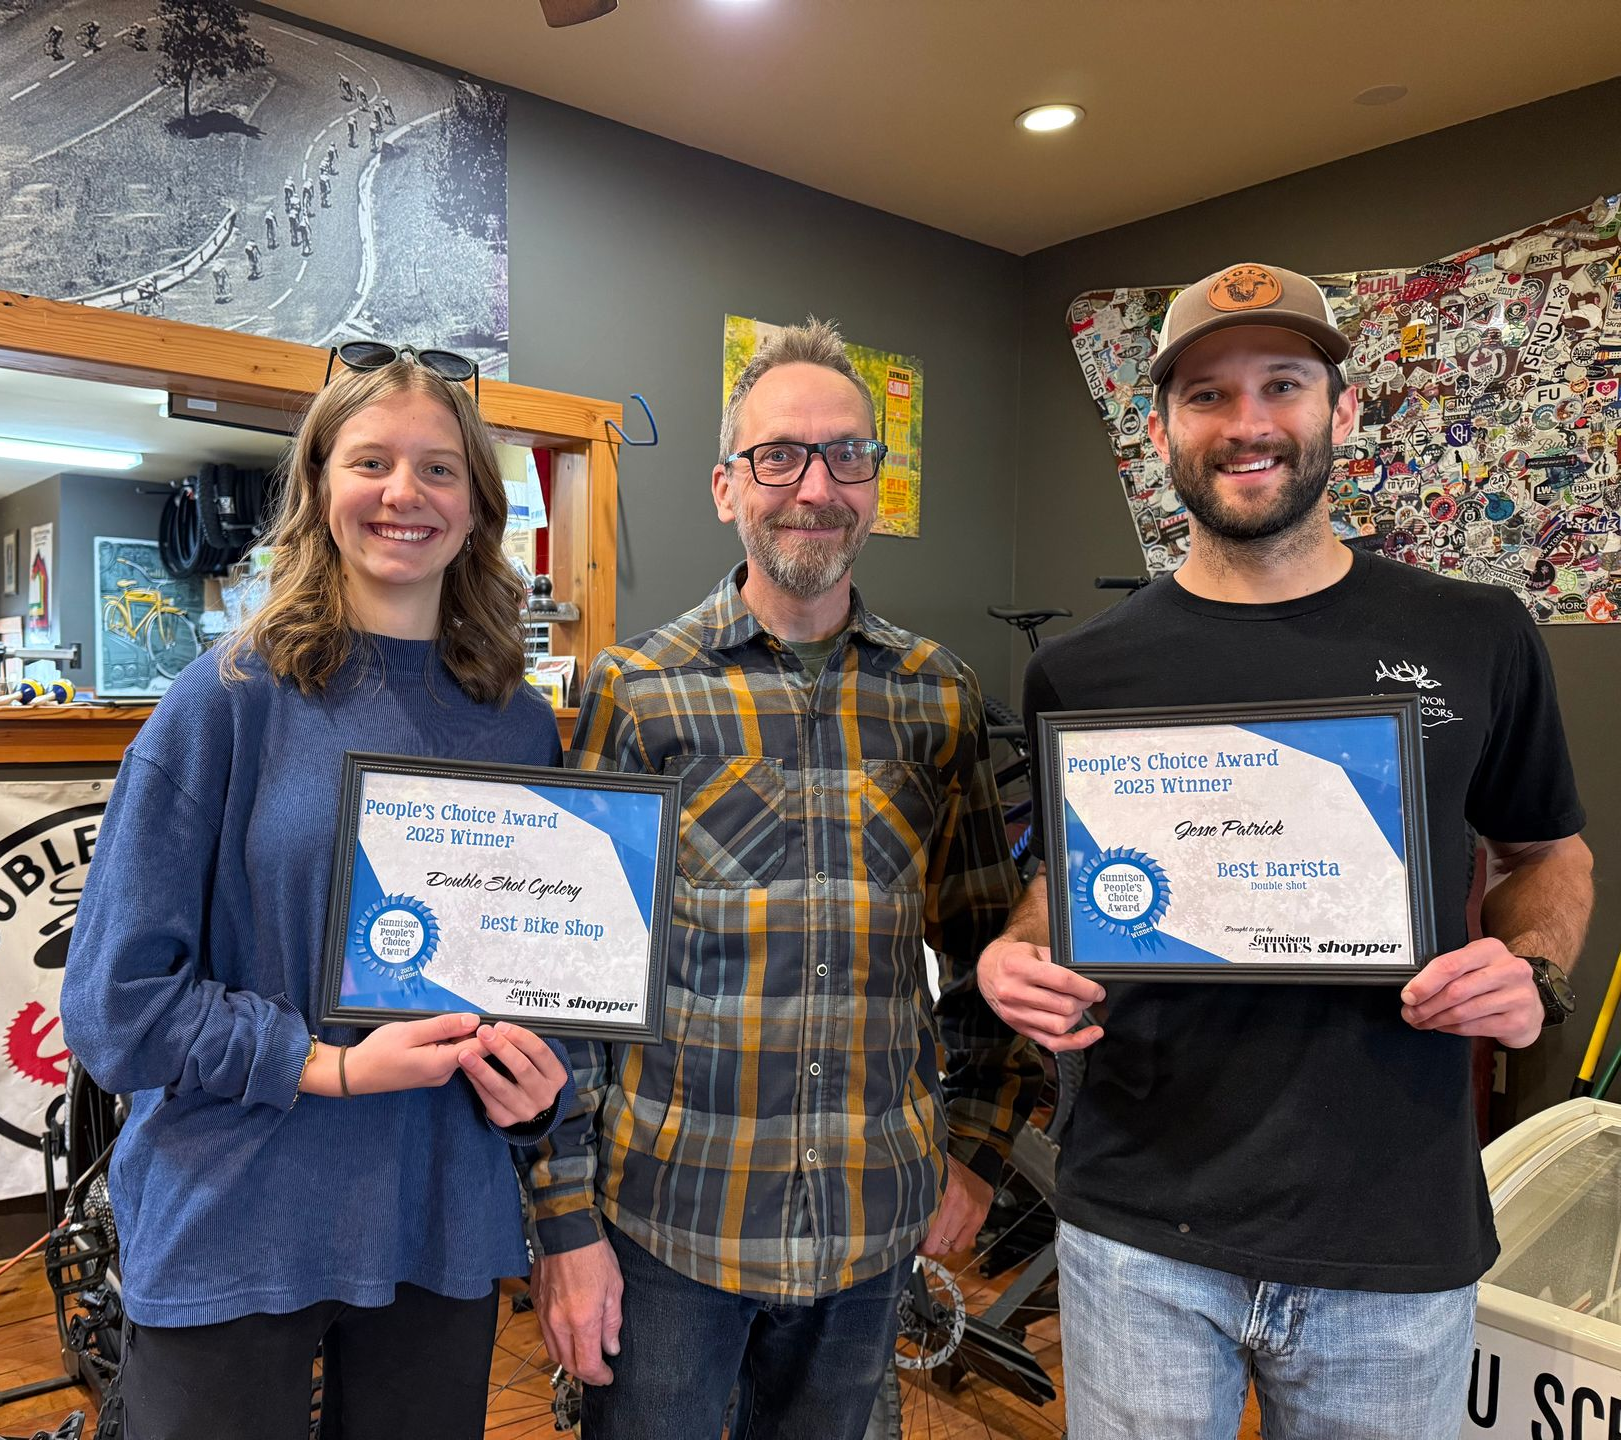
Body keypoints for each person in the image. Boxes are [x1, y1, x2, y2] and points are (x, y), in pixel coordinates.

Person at [976, 262, 1595, 1440]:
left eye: (1282, 385)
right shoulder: (1083, 671)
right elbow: (1066, 885)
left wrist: (1533, 973)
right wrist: (1016, 953)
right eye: (1206, 395)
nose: (1247, 423)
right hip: (1137, 1230)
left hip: (1391, 1233)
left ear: (1341, 410)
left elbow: (1544, 853)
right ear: (1161, 429)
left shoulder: (1472, 633)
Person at [528, 319, 1039, 1438]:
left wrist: (983, 1148)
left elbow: (993, 951)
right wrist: (564, 1224)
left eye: (846, 455)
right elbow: (568, 989)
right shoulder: (640, 694)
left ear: (876, 483)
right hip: (671, 1218)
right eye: (780, 455)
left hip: (870, 1224)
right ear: (726, 486)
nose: (814, 486)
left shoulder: (936, 697)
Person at [61, 350, 576, 1440]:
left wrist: (539, 1075)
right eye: (372, 461)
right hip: (234, 1217)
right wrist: (332, 1067)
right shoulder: (223, 702)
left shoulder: (518, 724)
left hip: (437, 1215)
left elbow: (531, 964)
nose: (405, 494)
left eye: (440, 469)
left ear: (478, 505)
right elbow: (116, 1006)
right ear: (318, 487)